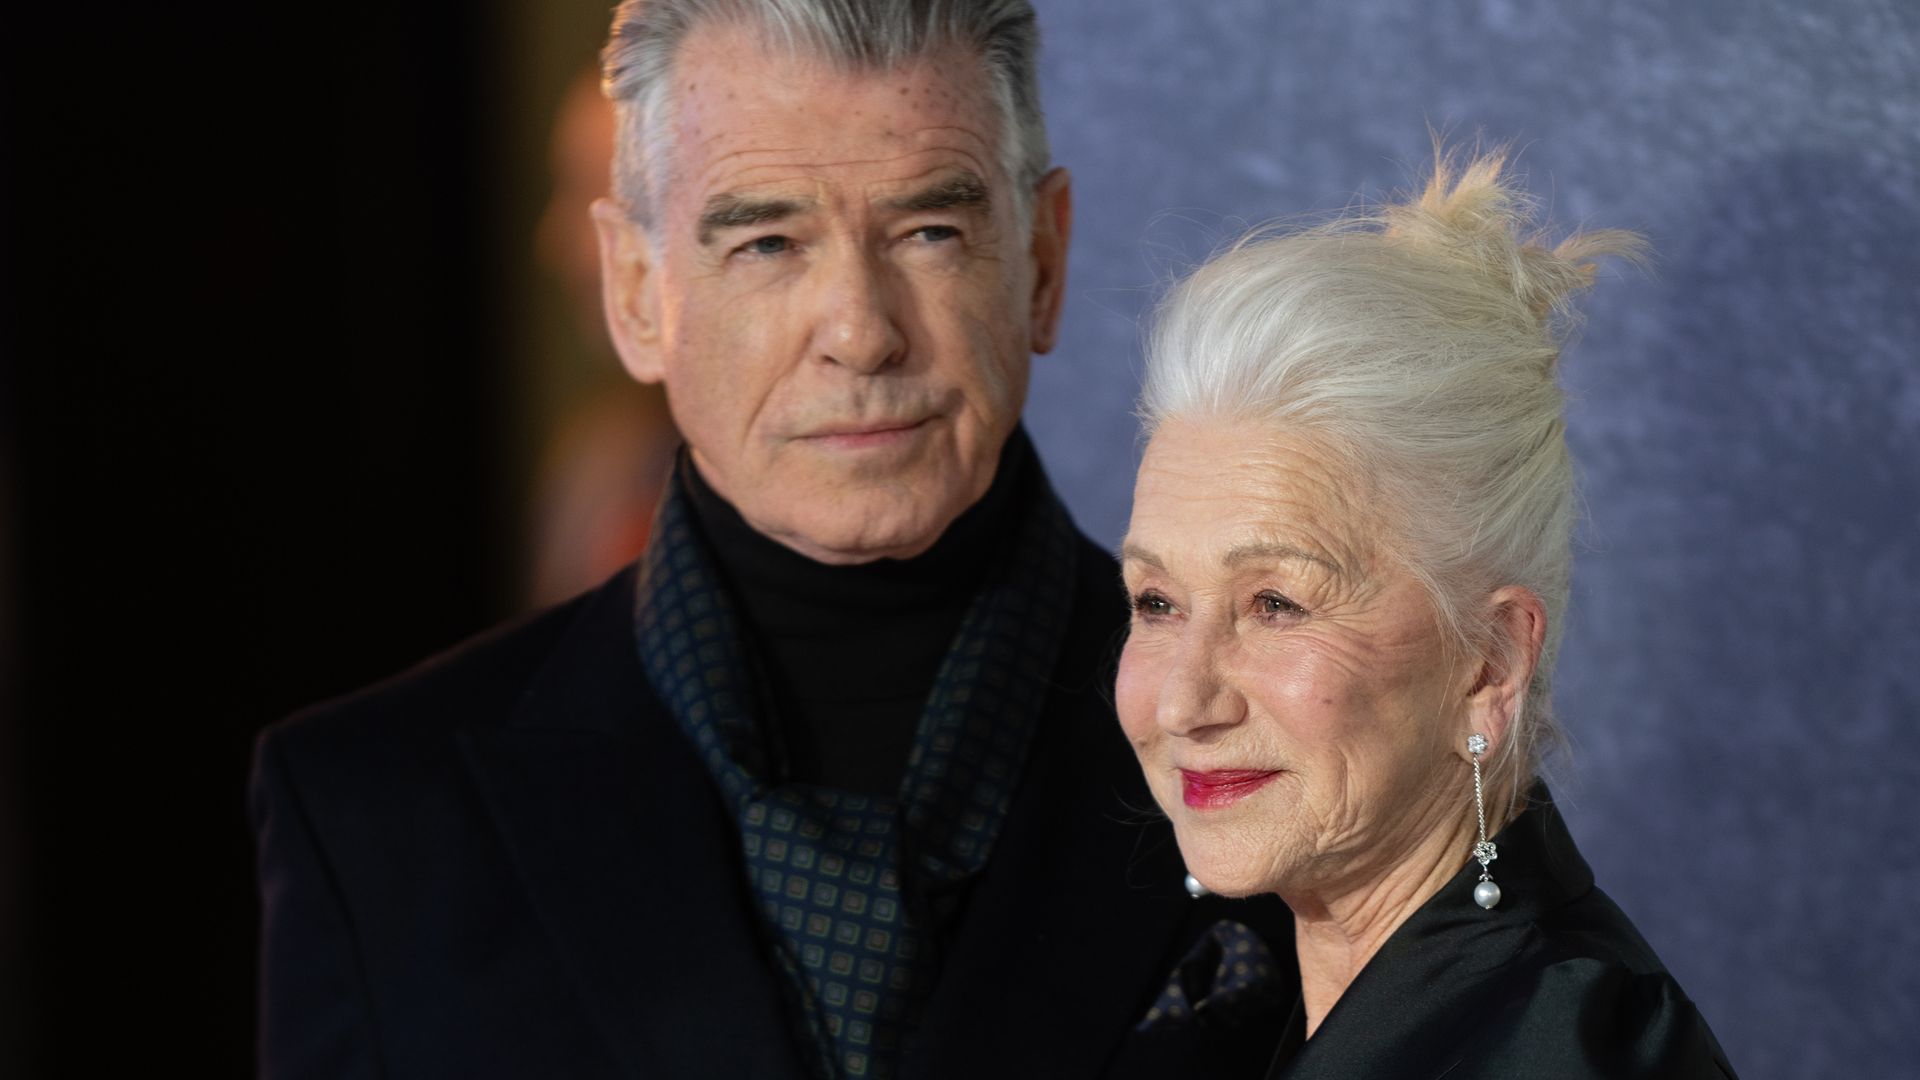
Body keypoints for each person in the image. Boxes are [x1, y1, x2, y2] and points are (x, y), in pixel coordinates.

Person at [250, 2, 1294, 1077]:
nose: (861, 332)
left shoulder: (1288, 751)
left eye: (928, 232)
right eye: (768, 244)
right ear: (635, 292)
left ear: (1042, 259)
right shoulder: (373, 818)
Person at [1115, 150, 1737, 1078]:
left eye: (1276, 604)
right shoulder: (1236, 1010)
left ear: (1488, 663)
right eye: (1157, 602)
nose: (1181, 704)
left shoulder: (1575, 1052)